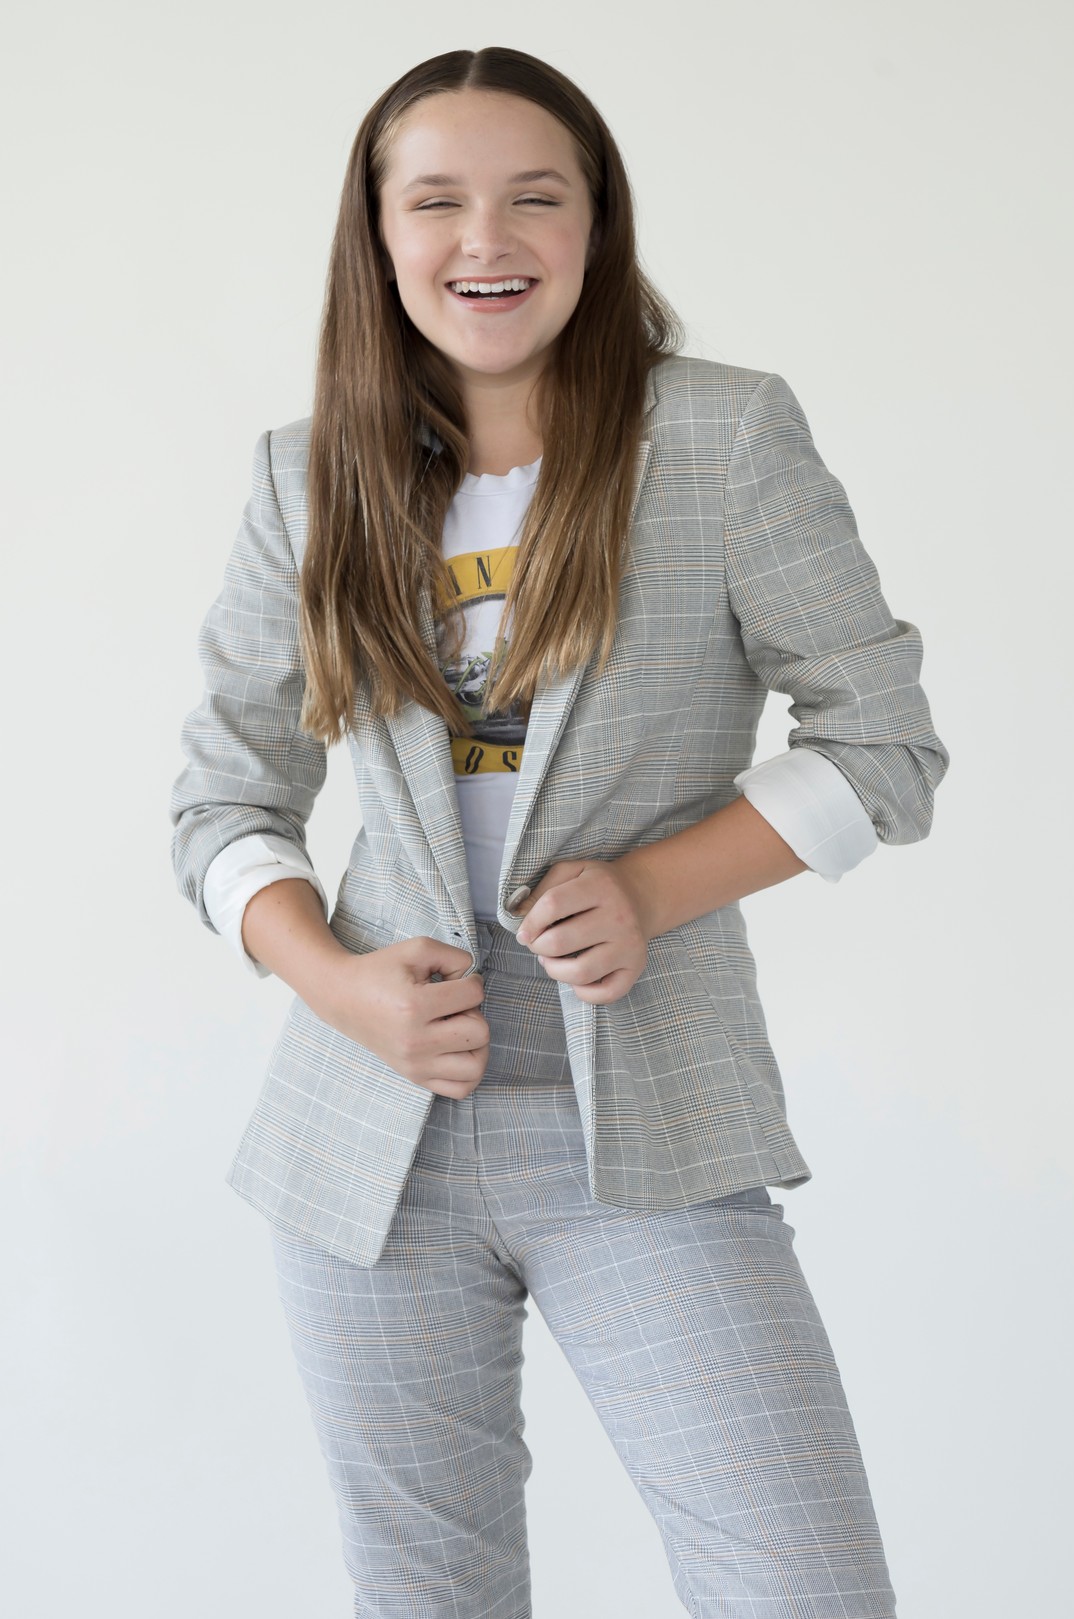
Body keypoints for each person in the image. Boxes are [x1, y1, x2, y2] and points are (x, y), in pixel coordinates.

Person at [171, 45, 947, 1619]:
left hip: (646, 1123)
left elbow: (884, 745)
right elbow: (223, 802)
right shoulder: (307, 479)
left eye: (536, 197)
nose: (487, 239)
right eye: (436, 201)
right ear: (377, 234)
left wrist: (654, 886)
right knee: (431, 1595)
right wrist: (339, 984)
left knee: (803, 1587)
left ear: (597, 224)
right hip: (367, 1137)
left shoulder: (721, 439)